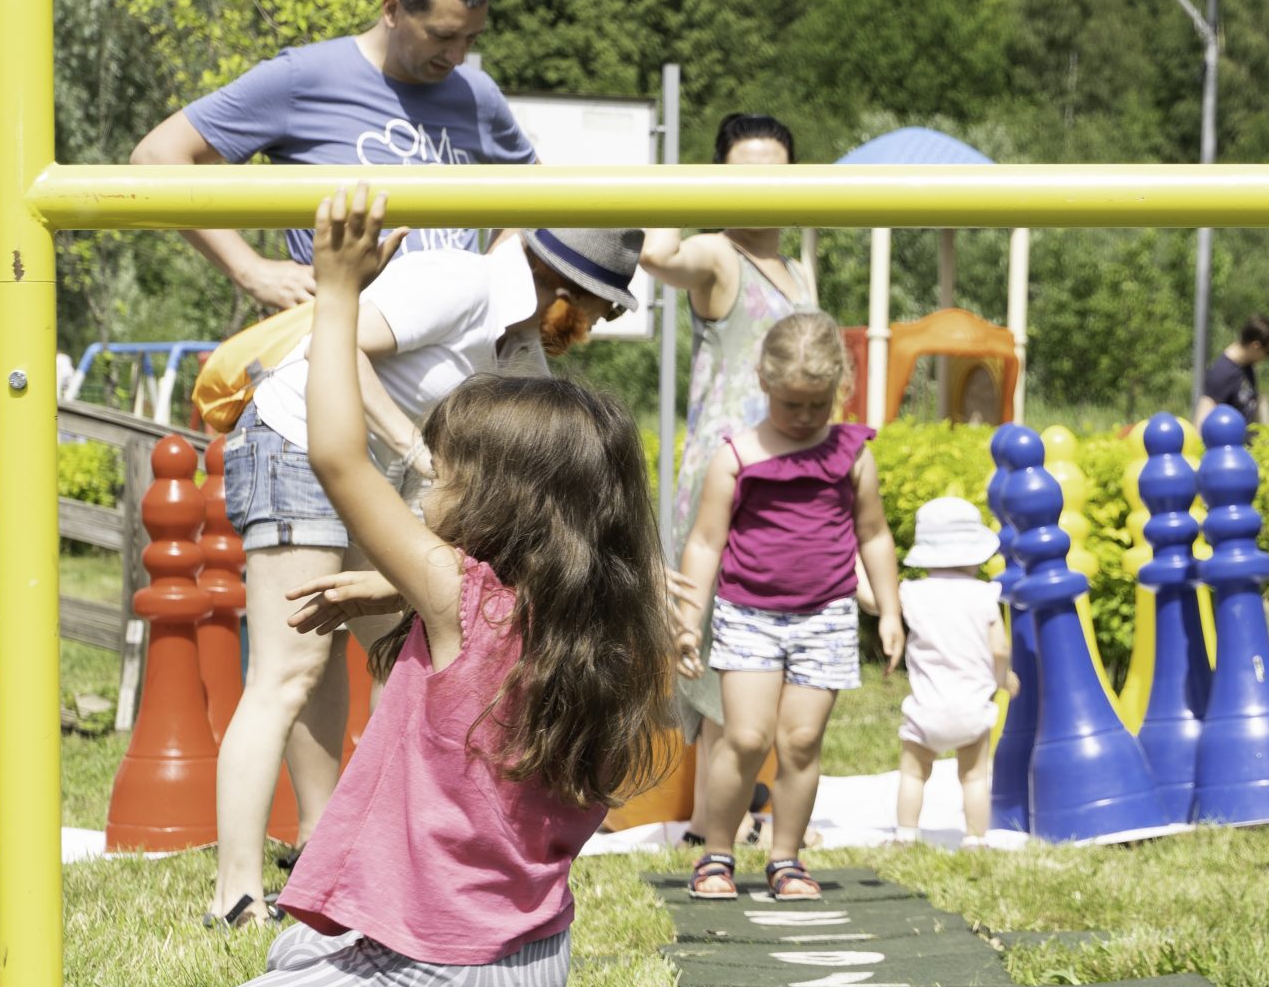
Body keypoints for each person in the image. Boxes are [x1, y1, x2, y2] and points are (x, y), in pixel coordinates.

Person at [135, 186, 672, 987]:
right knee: (296, 959)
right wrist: (391, 591)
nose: (426, 488)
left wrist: (336, 292)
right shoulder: (609, 625)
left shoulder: (457, 599)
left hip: (430, 972)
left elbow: (339, 456)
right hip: (534, 972)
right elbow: (518, 595)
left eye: (448, 474)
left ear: (498, 501)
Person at [204, 225, 639, 928]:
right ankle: (236, 896)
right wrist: (412, 446)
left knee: (401, 646)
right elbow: (331, 345)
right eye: (595, 310)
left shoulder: (524, 356)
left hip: (385, 481)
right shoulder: (460, 282)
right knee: (289, 670)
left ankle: (329, 853)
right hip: (294, 439)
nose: (590, 329)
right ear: (561, 288)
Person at [129, 0, 534, 311]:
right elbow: (156, 156)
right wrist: (250, 270)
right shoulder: (302, 78)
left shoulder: (477, 95)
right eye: (443, 37)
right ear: (392, 9)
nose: (458, 56)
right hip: (343, 349)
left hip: (456, 364)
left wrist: (492, 284)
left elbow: (532, 189)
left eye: (471, 39)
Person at [673, 311, 903, 901]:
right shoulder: (738, 457)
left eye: (817, 405)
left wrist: (891, 609)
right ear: (763, 382)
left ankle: (786, 858)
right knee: (746, 738)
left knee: (800, 742)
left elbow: (873, 535)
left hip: (825, 617)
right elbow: (705, 543)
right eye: (791, 405)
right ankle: (717, 854)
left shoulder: (852, 456)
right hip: (748, 616)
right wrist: (687, 620)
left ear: (838, 391)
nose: (803, 419)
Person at [640, 113, 816, 851]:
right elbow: (655, 254)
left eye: (775, 171)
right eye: (744, 172)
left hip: (787, 484)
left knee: (767, 651)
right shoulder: (717, 254)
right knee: (717, 660)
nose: (761, 188)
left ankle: (737, 809)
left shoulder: (801, 268)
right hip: (725, 484)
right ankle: (715, 829)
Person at [891, 497, 1014, 846]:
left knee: (914, 774)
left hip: (927, 708)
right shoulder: (984, 594)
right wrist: (1003, 678)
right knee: (973, 777)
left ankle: (906, 834)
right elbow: (1000, 648)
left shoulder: (913, 593)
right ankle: (976, 839)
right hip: (971, 708)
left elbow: (876, 602)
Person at [1196, 314, 1269, 429]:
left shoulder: (1247, 367)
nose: (1267, 357)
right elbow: (1201, 424)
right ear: (1255, 346)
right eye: (1268, 352)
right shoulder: (1222, 373)